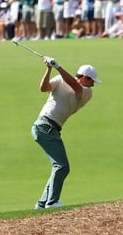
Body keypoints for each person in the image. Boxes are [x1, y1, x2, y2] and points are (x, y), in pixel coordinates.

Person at [32, 56, 101, 209]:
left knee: (59, 166)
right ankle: (51, 202)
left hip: (51, 128)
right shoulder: (60, 79)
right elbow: (43, 88)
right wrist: (49, 68)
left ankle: (43, 203)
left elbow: (74, 85)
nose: (93, 85)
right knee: (61, 166)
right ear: (84, 77)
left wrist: (58, 66)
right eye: (92, 81)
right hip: (44, 125)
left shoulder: (86, 92)